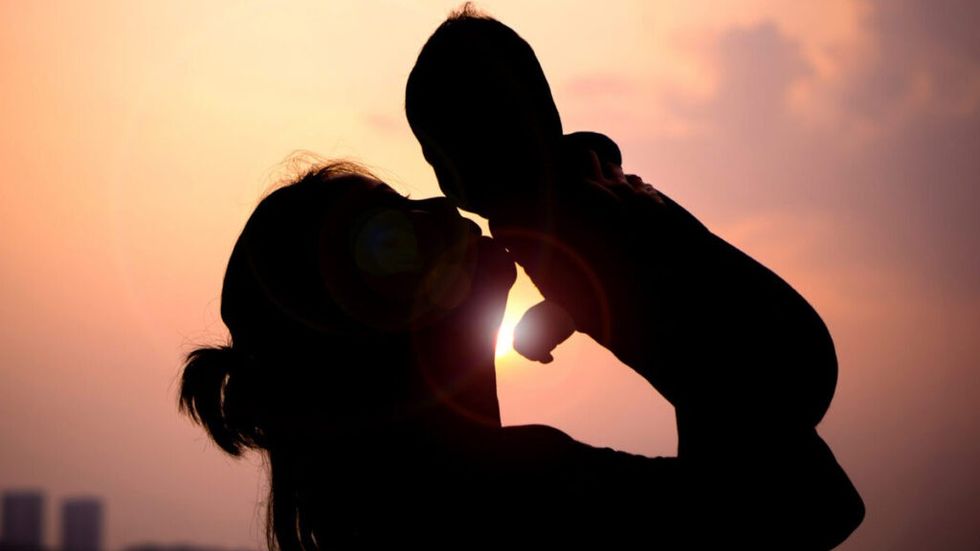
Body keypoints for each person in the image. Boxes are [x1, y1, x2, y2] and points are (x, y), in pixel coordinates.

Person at [180, 161, 863, 549]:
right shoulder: (513, 500)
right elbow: (807, 500)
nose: (438, 205)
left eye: (406, 198)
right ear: (366, 338)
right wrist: (644, 269)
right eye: (388, 239)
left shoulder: (410, 519)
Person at [405, 6, 846, 441]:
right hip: (754, 345)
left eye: (446, 154)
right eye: (433, 160)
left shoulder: (559, 203)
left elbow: (618, 263)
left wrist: (549, 318)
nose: (445, 183)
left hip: (754, 349)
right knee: (714, 425)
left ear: (516, 126)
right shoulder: (578, 179)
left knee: (719, 453)